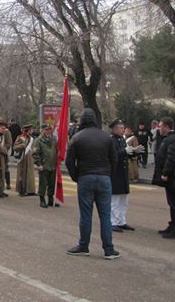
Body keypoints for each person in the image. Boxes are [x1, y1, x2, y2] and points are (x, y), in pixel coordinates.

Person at [65, 108, 119, 260]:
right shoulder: (106, 137)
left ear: (82, 121)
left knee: (86, 215)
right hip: (104, 178)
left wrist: (76, 176)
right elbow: (114, 159)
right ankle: (109, 249)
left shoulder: (77, 138)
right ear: (95, 120)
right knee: (106, 215)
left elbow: (69, 162)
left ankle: (83, 246)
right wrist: (108, 174)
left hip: (85, 177)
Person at [152, 117, 175, 239]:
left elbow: (172, 158)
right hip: (172, 176)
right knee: (172, 202)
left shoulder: (173, 140)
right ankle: (173, 225)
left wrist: (165, 173)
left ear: (166, 127)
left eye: (160, 126)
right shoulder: (170, 139)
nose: (158, 128)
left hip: (173, 176)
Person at [110, 120, 143, 233]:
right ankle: (113, 222)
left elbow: (125, 153)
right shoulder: (112, 141)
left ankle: (121, 221)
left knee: (124, 200)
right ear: (115, 129)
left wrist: (134, 151)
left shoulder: (122, 139)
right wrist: (124, 151)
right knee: (115, 200)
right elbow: (113, 155)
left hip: (123, 174)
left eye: (123, 128)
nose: (123, 130)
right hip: (115, 174)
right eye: (120, 128)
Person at [33, 124, 59, 208]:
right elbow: (35, 154)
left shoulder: (54, 139)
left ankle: (51, 200)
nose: (48, 131)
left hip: (52, 165)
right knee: (43, 184)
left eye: (49, 129)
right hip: (43, 165)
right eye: (46, 130)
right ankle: (42, 200)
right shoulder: (38, 140)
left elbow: (57, 150)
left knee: (52, 184)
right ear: (42, 130)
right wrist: (39, 164)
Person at [13, 124, 36, 197]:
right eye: (30, 130)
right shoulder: (20, 138)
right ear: (27, 131)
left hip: (29, 158)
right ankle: (21, 190)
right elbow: (15, 147)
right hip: (22, 158)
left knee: (30, 174)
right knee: (21, 174)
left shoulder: (31, 138)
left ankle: (30, 190)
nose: (32, 131)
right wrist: (23, 145)